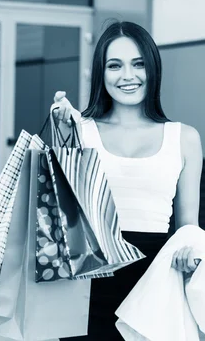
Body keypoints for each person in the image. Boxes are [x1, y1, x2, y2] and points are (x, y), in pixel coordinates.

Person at [52, 21, 202, 340]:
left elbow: (187, 225)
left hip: (156, 283)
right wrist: (62, 136)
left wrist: (191, 251)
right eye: (114, 65)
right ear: (101, 73)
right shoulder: (80, 130)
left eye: (138, 64)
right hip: (85, 282)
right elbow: (62, 216)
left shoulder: (184, 138)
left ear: (153, 68)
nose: (127, 76)